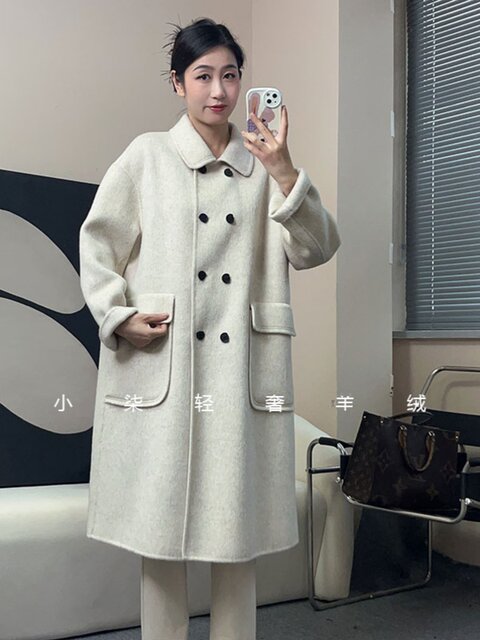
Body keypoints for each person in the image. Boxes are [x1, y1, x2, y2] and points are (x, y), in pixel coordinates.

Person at [79, 16, 341, 640]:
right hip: (164, 364)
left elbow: (317, 249)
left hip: (240, 370)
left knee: (235, 537)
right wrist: (118, 314)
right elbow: (98, 246)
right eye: (202, 76)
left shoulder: (264, 167)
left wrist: (284, 169)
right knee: (159, 538)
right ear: (178, 83)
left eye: (229, 75)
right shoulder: (146, 157)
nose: (218, 90)